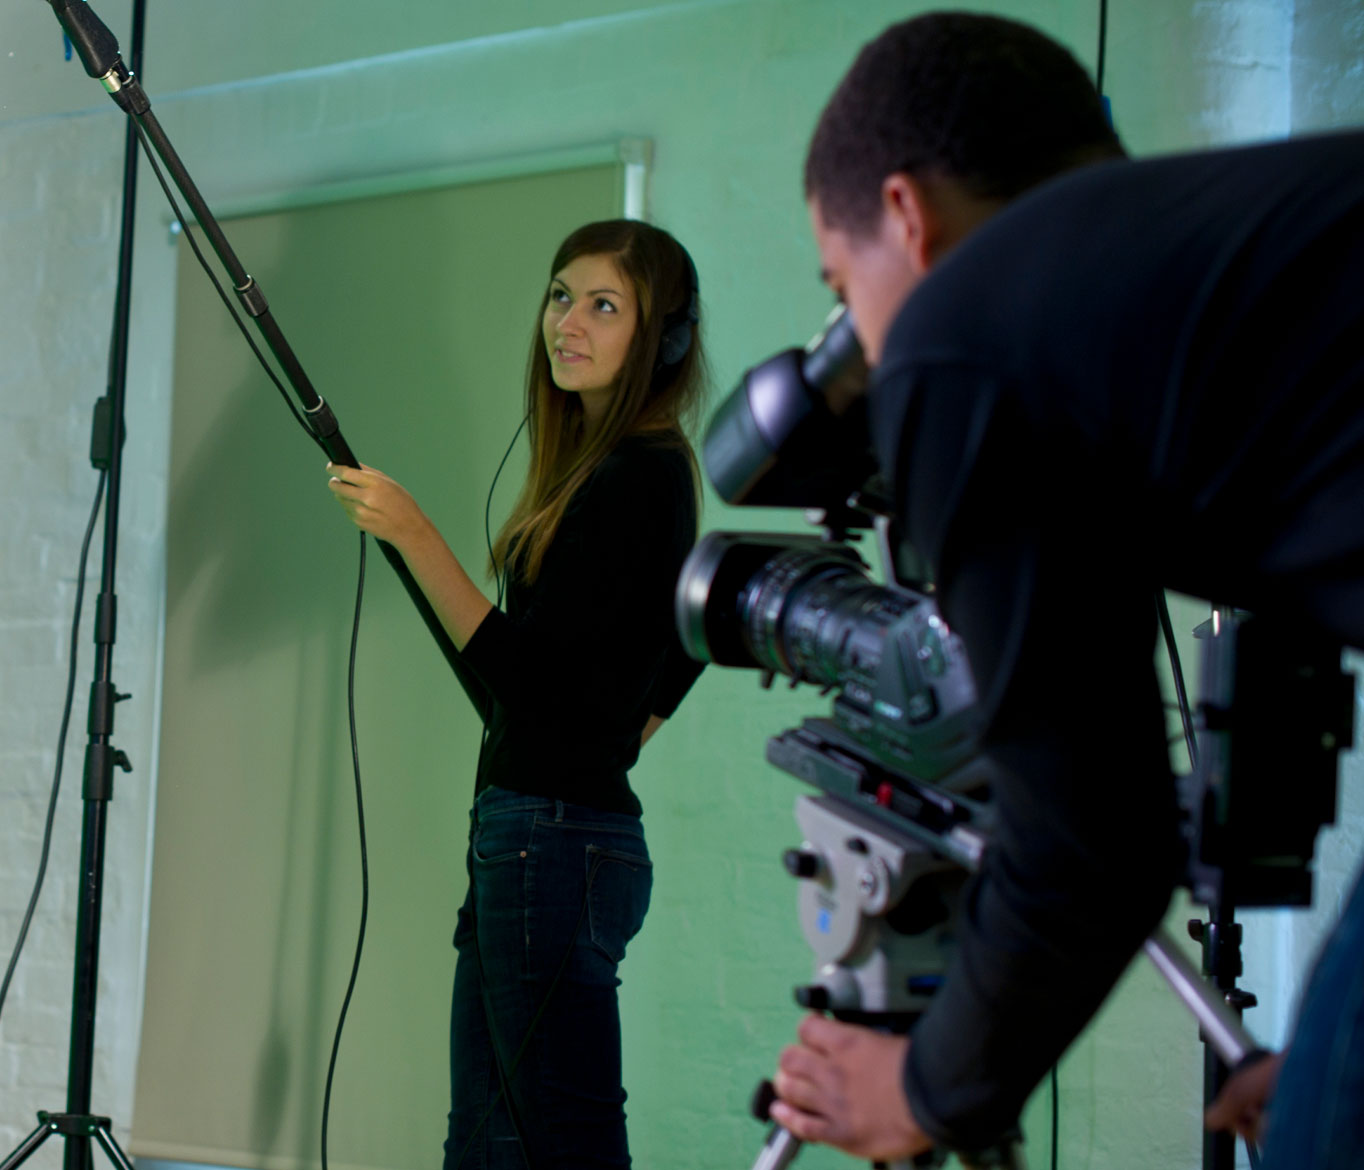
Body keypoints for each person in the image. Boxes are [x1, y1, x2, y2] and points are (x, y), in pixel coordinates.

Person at [761, 12, 1364, 1166]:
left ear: (905, 216)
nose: (874, 361)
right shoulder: (1222, 250)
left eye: (847, 292)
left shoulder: (960, 326)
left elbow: (1093, 845)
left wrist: (924, 1092)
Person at [325, 218, 710, 1168]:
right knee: (490, 1149)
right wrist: (604, 732)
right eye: (560, 294)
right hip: (542, 839)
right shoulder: (605, 474)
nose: (567, 322)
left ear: (661, 339)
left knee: (559, 1147)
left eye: (605, 305)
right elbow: (572, 683)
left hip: (553, 844)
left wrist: (416, 535)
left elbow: (536, 687)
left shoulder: (637, 476)